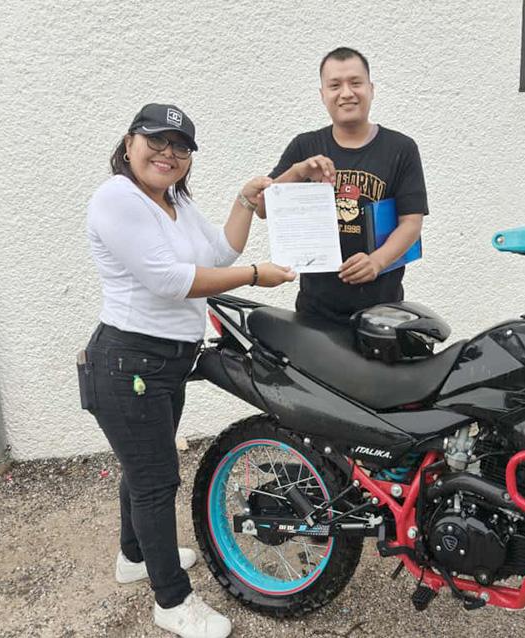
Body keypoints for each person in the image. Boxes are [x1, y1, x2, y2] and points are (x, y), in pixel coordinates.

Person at [84, 103, 295, 638]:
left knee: (143, 467)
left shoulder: (174, 201)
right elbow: (170, 280)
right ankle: (172, 602)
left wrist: (244, 200)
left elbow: (218, 252)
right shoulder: (118, 197)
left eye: (180, 147)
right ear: (129, 143)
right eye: (156, 140)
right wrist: (255, 275)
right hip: (129, 363)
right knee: (156, 480)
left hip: (164, 363)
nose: (168, 153)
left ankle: (134, 556)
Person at [258, 47, 429, 323]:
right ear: (322, 94)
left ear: (371, 89)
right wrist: (298, 171)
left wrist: (376, 261)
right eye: (335, 85)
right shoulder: (305, 146)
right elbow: (262, 208)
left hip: (382, 310)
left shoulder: (401, 148)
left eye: (356, 83)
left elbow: (411, 222)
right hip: (315, 309)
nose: (346, 93)